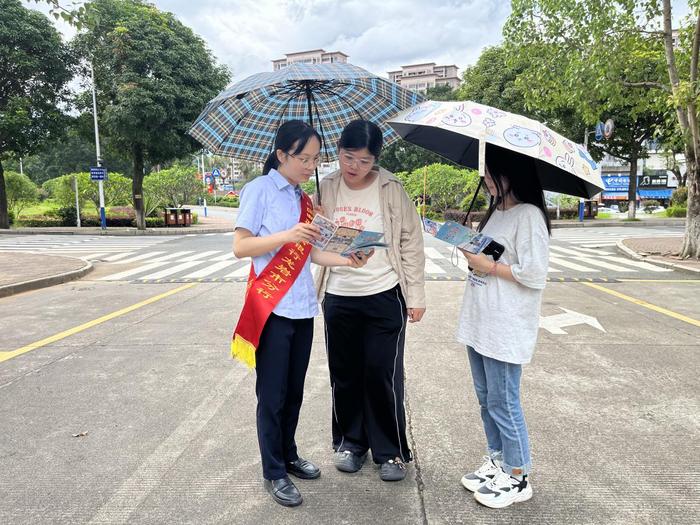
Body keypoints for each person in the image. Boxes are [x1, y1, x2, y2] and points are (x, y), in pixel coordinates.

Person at [232, 120, 370, 508]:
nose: (311, 166)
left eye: (315, 158)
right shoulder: (258, 190)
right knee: (271, 395)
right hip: (271, 309)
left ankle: (289, 454)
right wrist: (288, 235)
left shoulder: (304, 199)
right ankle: (273, 470)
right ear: (281, 155)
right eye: (303, 158)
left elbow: (311, 254)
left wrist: (348, 260)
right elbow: (241, 247)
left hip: (302, 308)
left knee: (293, 392)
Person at [315, 120, 426, 482]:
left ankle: (390, 451)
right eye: (348, 157)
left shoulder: (392, 187)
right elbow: (312, 243)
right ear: (339, 152)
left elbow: (410, 241)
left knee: (382, 372)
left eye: (364, 161)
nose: (355, 167)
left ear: (375, 159)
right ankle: (351, 443)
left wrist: (416, 295)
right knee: (344, 374)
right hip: (339, 295)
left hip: (383, 293)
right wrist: (316, 223)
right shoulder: (325, 187)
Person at [456, 144, 550, 509]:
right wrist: (469, 253)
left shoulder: (528, 216)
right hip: (481, 318)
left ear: (513, 175)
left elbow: (534, 273)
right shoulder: (496, 213)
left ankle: (517, 474)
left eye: (493, 174)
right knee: (486, 399)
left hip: (506, 324)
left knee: (504, 402)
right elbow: (488, 258)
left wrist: (487, 266)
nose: (487, 181)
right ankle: (497, 459)